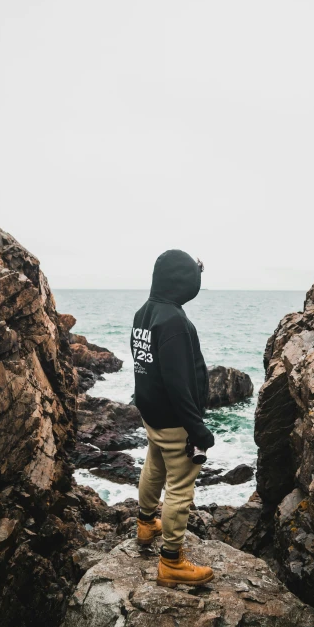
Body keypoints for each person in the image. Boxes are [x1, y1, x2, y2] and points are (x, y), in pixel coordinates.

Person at [130, 249, 215, 588]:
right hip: (175, 420)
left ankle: (146, 522)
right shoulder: (175, 323)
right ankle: (171, 561)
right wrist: (198, 429)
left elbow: (144, 368)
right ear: (183, 282)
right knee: (180, 487)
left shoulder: (144, 313)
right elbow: (179, 384)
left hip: (152, 414)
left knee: (154, 466)